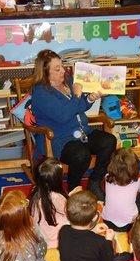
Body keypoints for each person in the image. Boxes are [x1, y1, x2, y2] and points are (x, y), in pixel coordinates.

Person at [31, 49, 117, 201]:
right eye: (57, 69)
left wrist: (90, 98)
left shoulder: (68, 81)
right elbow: (63, 116)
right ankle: (73, 189)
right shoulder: (40, 92)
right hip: (59, 139)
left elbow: (80, 106)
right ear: (45, 73)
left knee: (109, 141)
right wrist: (77, 95)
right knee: (81, 154)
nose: (63, 71)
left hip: (83, 132)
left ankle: (94, 182)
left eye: (62, 66)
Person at [59, 190, 131, 261]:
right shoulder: (100, 242)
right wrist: (109, 240)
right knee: (125, 257)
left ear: (67, 212)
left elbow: (80, 240)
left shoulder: (63, 231)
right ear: (95, 218)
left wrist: (92, 231)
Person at [102, 148, 140, 232]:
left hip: (107, 222)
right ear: (135, 168)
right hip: (130, 225)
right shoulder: (136, 181)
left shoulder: (107, 177)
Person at [28, 158, 70, 249]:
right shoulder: (57, 197)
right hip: (56, 240)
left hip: (41, 236)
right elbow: (70, 213)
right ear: (57, 180)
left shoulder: (35, 192)